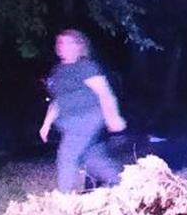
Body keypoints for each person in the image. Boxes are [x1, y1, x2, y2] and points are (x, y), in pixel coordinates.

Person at [39, 28, 127, 192]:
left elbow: (104, 92)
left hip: (87, 117)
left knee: (67, 155)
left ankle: (64, 198)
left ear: (79, 46)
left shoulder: (85, 66)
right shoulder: (57, 71)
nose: (63, 46)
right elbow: (57, 101)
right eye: (60, 42)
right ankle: (123, 184)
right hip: (69, 123)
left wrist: (113, 118)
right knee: (92, 158)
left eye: (68, 42)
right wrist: (46, 124)